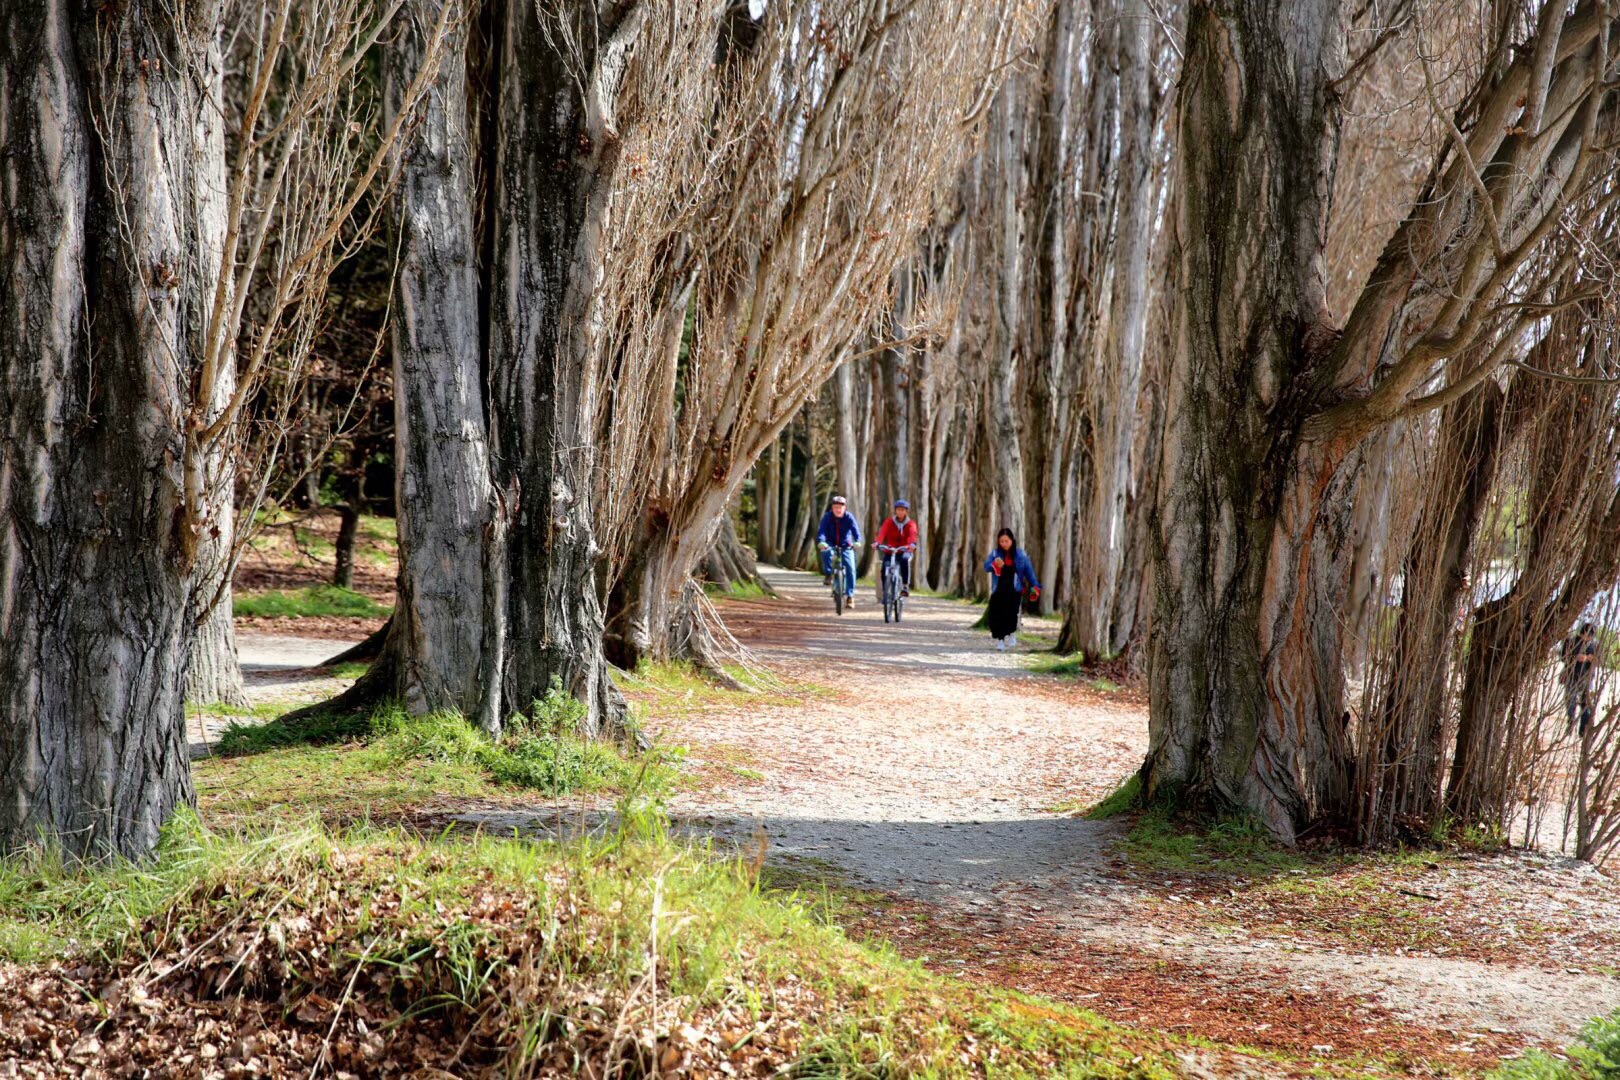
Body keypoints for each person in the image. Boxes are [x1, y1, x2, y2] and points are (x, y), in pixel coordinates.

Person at [983, 528, 1039, 650]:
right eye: (1001, 541)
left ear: (1012, 541)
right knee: (997, 615)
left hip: (1014, 590)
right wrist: (994, 565)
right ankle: (1000, 641)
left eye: (1006, 541)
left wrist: (1035, 586)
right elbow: (986, 567)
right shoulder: (994, 554)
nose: (1004, 544)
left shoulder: (1020, 555)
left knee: (1011, 614)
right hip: (998, 590)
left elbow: (1029, 571)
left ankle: (1012, 634)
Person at [816, 495, 861, 606]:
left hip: (846, 545)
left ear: (844, 508)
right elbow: (821, 531)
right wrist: (822, 541)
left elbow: (856, 531)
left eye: (840, 507)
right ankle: (828, 575)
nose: (838, 509)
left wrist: (857, 541)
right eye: (836, 507)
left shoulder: (849, 517)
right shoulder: (827, 517)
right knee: (826, 552)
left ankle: (850, 596)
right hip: (830, 543)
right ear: (832, 507)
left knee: (850, 568)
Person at [872, 499, 920, 597]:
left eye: (903, 510)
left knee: (904, 560)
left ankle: (905, 586)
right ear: (895, 510)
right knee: (884, 567)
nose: (900, 512)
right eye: (898, 509)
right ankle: (886, 591)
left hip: (905, 550)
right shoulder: (889, 522)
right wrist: (877, 542)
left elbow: (913, 535)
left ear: (906, 511)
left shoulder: (911, 524)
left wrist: (912, 544)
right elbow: (882, 533)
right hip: (891, 551)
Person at [1562, 622, 1599, 734]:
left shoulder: (1594, 645)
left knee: (1586, 704)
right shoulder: (1571, 641)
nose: (1587, 638)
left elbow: (1598, 660)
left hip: (1587, 678)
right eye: (1586, 635)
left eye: (1590, 637)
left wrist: (1588, 658)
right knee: (1570, 701)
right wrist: (1575, 658)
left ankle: (1583, 730)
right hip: (1571, 675)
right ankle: (1571, 721)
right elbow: (1563, 657)